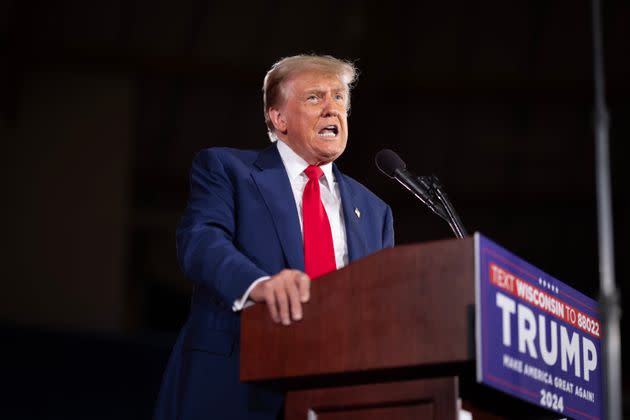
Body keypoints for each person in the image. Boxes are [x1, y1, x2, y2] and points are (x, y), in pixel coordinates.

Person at [153, 54, 394, 420]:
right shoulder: (227, 170)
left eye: (340, 97)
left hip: (339, 399)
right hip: (239, 388)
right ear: (278, 118)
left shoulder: (375, 211)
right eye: (315, 97)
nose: (333, 109)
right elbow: (201, 242)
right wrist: (259, 285)